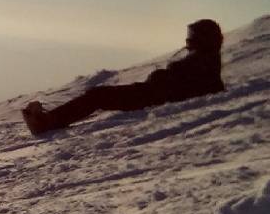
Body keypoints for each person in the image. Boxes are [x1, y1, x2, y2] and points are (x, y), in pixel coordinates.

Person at [22, 19, 225, 135]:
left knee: (97, 96)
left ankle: (48, 122)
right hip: (150, 93)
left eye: (192, 35)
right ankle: (50, 119)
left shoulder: (202, 61)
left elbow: (183, 84)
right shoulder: (206, 59)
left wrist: (160, 76)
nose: (187, 40)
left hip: (149, 96)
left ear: (202, 38)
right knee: (98, 95)